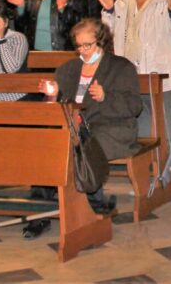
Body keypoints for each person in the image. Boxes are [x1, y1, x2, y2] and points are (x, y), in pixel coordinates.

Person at [96, 0, 171, 181]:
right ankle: (147, 169)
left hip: (162, 74)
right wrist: (108, 12)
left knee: (165, 125)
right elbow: (109, 34)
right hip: (131, 74)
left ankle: (167, 172)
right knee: (140, 123)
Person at [42, 19, 143, 217]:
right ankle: (46, 200)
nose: (83, 51)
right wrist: (53, 94)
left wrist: (106, 97)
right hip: (75, 127)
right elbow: (58, 106)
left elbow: (135, 106)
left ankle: (93, 201)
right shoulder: (67, 69)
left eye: (88, 45)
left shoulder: (120, 67)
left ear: (101, 41)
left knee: (86, 145)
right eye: (79, 46)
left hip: (113, 127)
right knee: (49, 142)